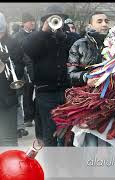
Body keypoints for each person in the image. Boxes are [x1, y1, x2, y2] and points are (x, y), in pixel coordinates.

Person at [68, 12, 115, 147]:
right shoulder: (79, 45)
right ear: (90, 25)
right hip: (88, 105)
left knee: (111, 148)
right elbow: (71, 74)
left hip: (112, 104)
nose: (104, 24)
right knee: (90, 149)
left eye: (106, 21)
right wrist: (85, 78)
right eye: (99, 21)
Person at [22, 5, 80, 146]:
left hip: (67, 91)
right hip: (46, 93)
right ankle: (51, 166)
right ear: (44, 21)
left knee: (69, 132)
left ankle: (69, 165)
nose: (55, 21)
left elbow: (78, 45)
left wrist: (64, 35)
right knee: (49, 133)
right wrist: (44, 31)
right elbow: (28, 48)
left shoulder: (69, 37)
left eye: (59, 18)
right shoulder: (37, 37)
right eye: (52, 19)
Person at [0, 12, 32, 146]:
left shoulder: (12, 42)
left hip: (7, 97)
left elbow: (20, 67)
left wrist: (8, 62)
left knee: (8, 141)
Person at [13, 12, 36, 137]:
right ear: (23, 23)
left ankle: (34, 115)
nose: (32, 23)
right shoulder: (17, 36)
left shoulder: (36, 34)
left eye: (33, 21)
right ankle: (27, 118)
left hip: (37, 67)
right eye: (29, 21)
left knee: (36, 93)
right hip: (24, 69)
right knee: (26, 93)